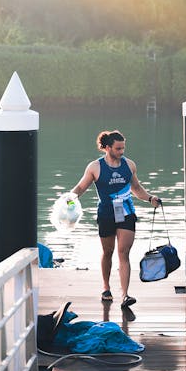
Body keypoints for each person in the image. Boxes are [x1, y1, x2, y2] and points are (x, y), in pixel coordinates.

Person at [70, 130, 161, 309]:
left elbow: (136, 188)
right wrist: (68, 200)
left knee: (123, 252)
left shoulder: (129, 165)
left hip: (126, 213)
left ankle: (125, 295)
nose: (121, 152)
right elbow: (81, 187)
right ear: (107, 148)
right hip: (106, 215)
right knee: (108, 252)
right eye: (118, 148)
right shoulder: (95, 167)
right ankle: (106, 287)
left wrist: (150, 198)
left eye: (123, 148)